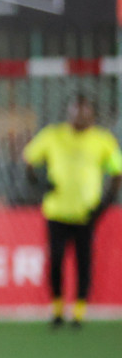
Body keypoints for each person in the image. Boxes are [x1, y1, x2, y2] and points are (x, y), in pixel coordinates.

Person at [22, 94, 121, 328]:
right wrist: (39, 183)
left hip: (86, 214)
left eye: (83, 112)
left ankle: (79, 311)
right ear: (68, 112)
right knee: (55, 260)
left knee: (83, 261)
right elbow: (28, 160)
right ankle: (57, 308)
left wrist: (105, 203)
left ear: (92, 115)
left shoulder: (102, 140)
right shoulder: (53, 135)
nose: (78, 116)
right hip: (56, 211)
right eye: (74, 111)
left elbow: (117, 172)